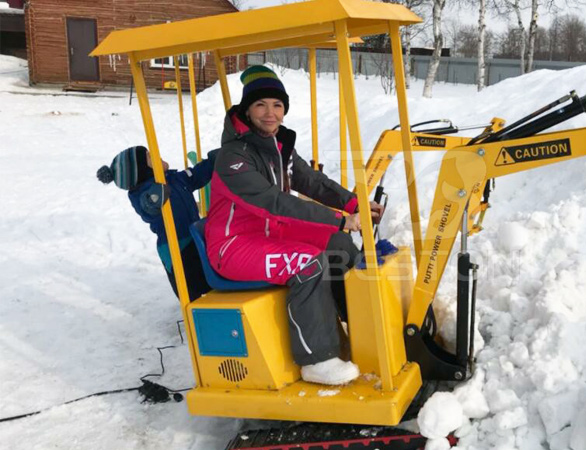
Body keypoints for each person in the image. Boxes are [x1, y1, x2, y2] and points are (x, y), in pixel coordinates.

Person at [206, 65, 384, 386]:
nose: (270, 113)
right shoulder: (233, 158)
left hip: (268, 233)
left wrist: (354, 204)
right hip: (233, 246)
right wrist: (342, 220)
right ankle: (316, 360)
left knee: (339, 246)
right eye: (261, 105)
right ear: (247, 110)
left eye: (277, 105)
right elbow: (275, 202)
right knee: (308, 262)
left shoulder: (278, 145)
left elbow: (311, 181)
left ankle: (358, 329)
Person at [97, 145, 215, 301]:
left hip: (195, 238)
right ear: (142, 170)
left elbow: (196, 175)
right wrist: (155, 198)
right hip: (177, 248)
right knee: (194, 287)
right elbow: (148, 209)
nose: (155, 154)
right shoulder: (141, 194)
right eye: (149, 155)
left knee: (209, 277)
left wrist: (216, 159)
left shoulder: (174, 179)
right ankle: (200, 315)